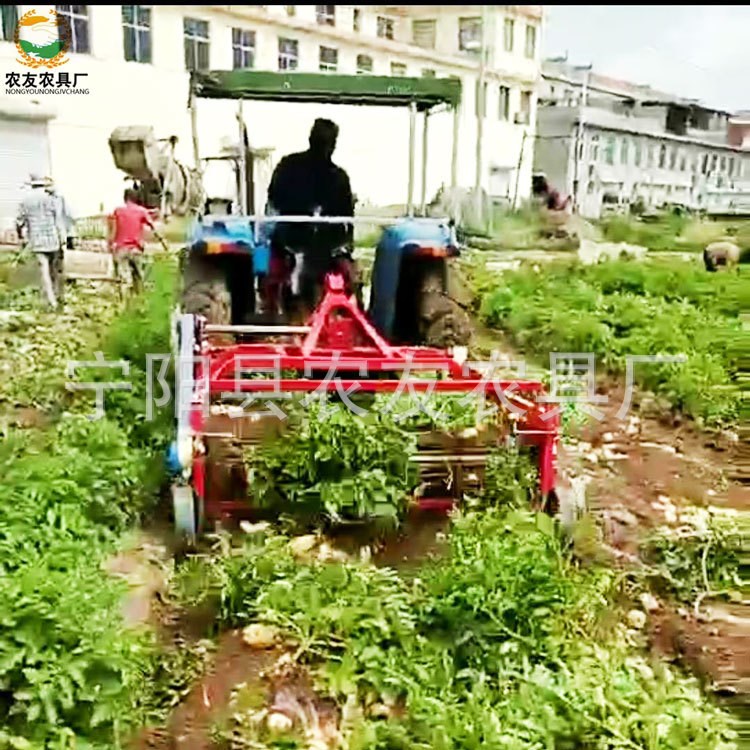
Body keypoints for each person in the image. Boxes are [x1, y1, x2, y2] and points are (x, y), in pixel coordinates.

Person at [264, 118, 355, 317]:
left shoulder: (291, 166)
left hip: (322, 248)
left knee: (348, 279)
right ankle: (274, 312)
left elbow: (347, 222)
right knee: (269, 275)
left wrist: (343, 252)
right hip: (292, 243)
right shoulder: (335, 176)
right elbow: (348, 221)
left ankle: (342, 317)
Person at [16, 173, 66, 309]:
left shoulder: (25, 201)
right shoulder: (51, 199)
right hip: (53, 239)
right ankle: (58, 296)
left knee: (44, 271)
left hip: (37, 240)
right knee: (54, 271)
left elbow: (19, 221)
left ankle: (51, 300)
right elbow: (58, 220)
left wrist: (21, 236)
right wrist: (63, 238)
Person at [107, 188, 163, 296]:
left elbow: (113, 230)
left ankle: (124, 303)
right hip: (136, 249)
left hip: (121, 249)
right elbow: (153, 228)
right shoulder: (142, 211)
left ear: (125, 198)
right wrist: (163, 243)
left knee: (123, 279)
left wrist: (110, 244)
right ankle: (140, 301)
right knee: (139, 277)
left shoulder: (118, 210)